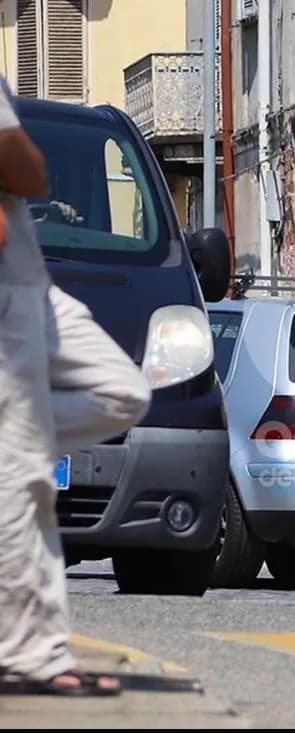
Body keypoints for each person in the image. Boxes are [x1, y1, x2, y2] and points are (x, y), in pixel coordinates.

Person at [0, 76, 152, 695]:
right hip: (7, 290)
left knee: (123, 392)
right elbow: (25, 168)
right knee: (22, 478)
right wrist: (31, 162)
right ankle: (30, 652)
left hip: (32, 286)